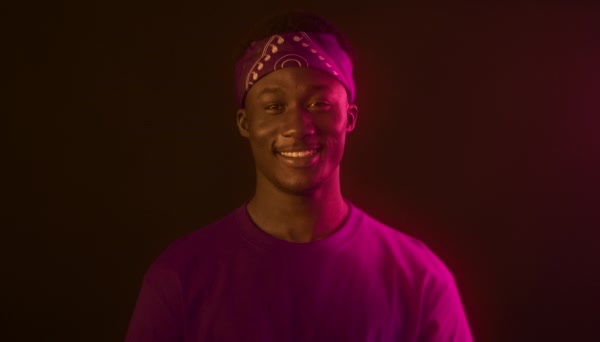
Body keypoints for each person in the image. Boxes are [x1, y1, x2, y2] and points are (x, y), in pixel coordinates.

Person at [125, 10, 473, 342]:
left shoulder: (421, 280)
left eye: (319, 104)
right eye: (274, 107)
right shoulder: (179, 279)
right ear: (245, 123)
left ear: (349, 118)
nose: (297, 126)